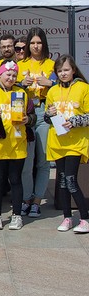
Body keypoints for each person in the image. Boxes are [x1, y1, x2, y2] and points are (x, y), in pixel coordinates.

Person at [0, 60, 35, 230]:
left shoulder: (22, 93)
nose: (10, 78)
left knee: (16, 180)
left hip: (18, 144)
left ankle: (17, 216)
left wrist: (28, 119)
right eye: (7, 74)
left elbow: (33, 117)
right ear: (0, 74)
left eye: (13, 75)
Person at [44, 55, 89, 233]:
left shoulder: (83, 88)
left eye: (66, 70)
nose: (63, 73)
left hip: (76, 143)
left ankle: (85, 218)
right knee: (62, 181)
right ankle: (67, 217)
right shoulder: (52, 91)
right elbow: (47, 118)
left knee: (71, 180)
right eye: (59, 71)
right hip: (57, 141)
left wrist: (75, 121)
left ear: (73, 70)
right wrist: (49, 113)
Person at [17, 27, 56, 218]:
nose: (36, 46)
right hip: (24, 112)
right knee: (26, 160)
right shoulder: (20, 64)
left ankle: (37, 201)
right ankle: (26, 199)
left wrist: (50, 83)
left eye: (39, 42)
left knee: (43, 160)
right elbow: (11, 87)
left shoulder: (51, 64)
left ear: (44, 43)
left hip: (43, 111)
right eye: (32, 43)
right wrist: (20, 84)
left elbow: (62, 85)